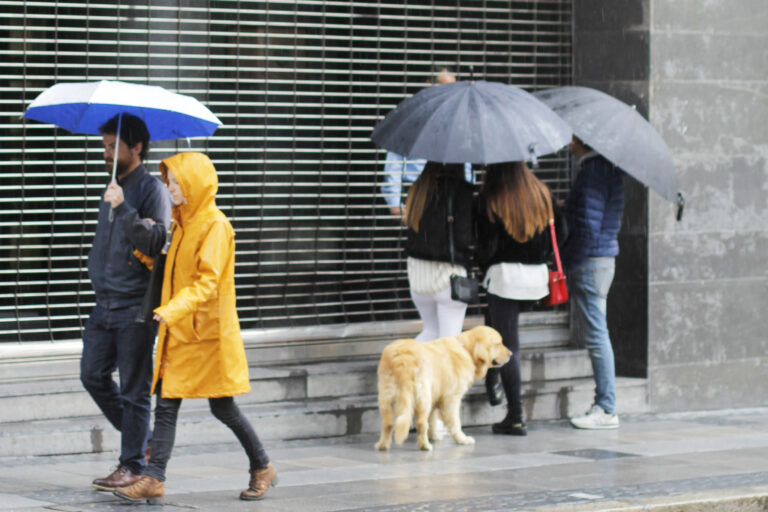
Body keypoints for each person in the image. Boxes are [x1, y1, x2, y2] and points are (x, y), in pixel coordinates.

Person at [113, 152, 277, 503]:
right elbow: (174, 268)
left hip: (207, 335)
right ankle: (154, 477)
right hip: (183, 331)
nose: (169, 188)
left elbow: (207, 283)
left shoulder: (215, 225)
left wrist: (171, 310)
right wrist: (145, 258)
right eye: (169, 181)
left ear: (194, 184)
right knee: (168, 402)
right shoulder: (181, 223)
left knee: (223, 408)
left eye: (175, 182)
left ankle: (262, 465)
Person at [81, 113, 171, 491]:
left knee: (135, 390)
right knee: (92, 375)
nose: (106, 152)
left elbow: (156, 242)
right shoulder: (113, 183)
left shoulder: (152, 190)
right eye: (104, 145)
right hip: (105, 303)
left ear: (136, 147)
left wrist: (123, 208)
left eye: (113, 145)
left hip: (135, 306)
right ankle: (144, 442)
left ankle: (132, 465)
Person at [476, 161, 565, 436]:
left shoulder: (491, 198)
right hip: (535, 280)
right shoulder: (541, 193)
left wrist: (483, 263)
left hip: (505, 278)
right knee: (495, 327)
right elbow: (562, 232)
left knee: (508, 346)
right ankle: (493, 380)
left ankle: (515, 415)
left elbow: (486, 245)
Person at [562, 136, 624, 430]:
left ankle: (606, 407)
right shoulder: (608, 168)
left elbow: (587, 224)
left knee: (597, 334)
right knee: (599, 332)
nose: (568, 141)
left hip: (591, 261)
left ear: (582, 140)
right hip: (603, 257)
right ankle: (605, 404)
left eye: (572, 136)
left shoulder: (592, 172)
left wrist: (569, 260)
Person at [381, 67, 472, 216]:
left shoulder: (456, 119)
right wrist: (395, 204)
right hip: (416, 194)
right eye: (444, 87)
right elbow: (395, 163)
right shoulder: (413, 115)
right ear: (428, 84)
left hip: (448, 196)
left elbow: (465, 162)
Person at [404, 161, 474, 341]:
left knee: (430, 332)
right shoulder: (461, 190)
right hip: (447, 278)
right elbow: (463, 237)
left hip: (418, 276)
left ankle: (408, 366)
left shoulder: (417, 188)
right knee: (449, 343)